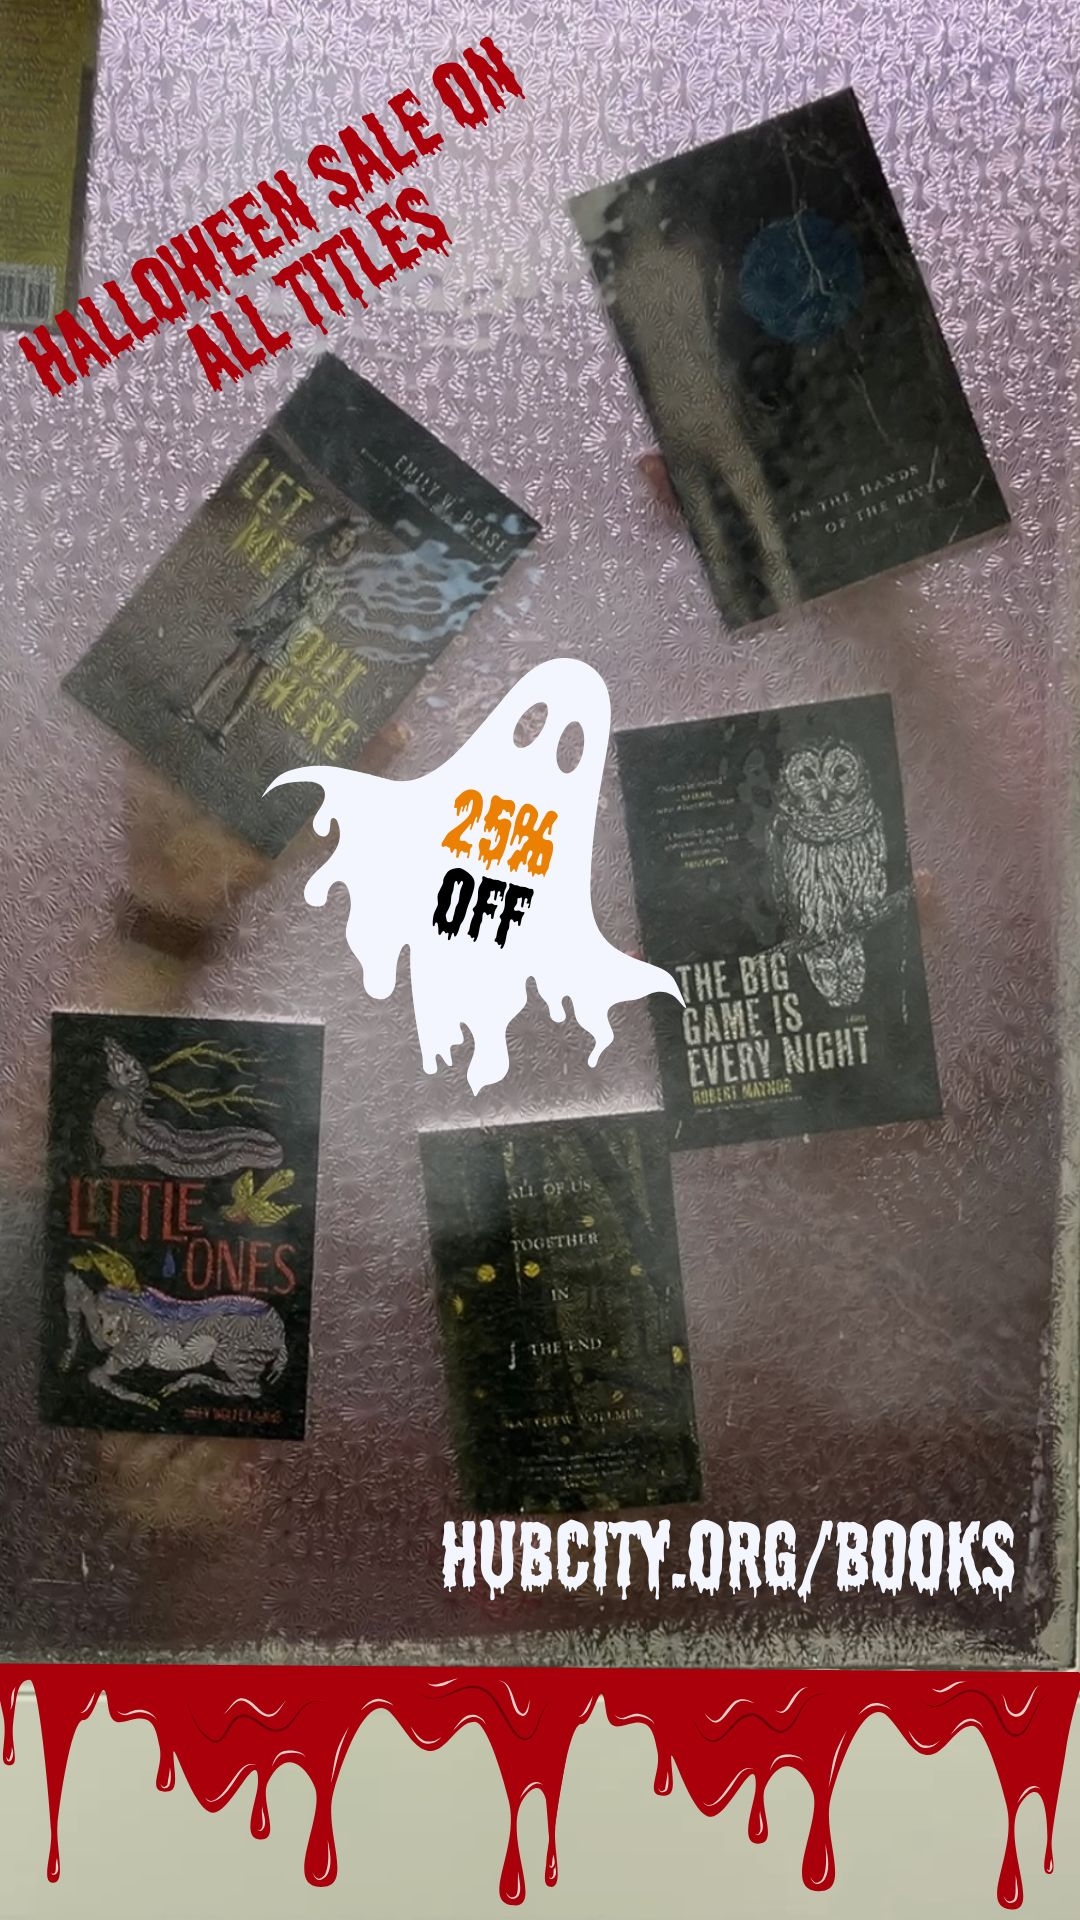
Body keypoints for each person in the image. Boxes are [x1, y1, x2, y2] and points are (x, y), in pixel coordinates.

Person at [181, 515, 367, 748]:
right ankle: (195, 707)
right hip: (271, 614)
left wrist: (314, 589)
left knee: (257, 679)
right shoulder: (308, 551)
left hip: (289, 631)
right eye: (338, 538)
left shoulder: (339, 581)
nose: (339, 546)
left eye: (347, 544)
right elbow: (280, 575)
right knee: (236, 659)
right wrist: (262, 603)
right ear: (331, 535)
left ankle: (224, 730)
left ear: (350, 551)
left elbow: (320, 614)